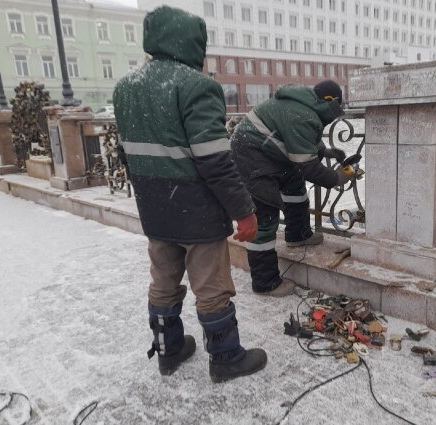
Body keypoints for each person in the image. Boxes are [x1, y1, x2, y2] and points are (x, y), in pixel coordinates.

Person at [113, 6, 266, 383]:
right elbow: (214, 159)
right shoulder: (197, 86)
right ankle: (226, 357)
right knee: (211, 287)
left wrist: (149, 196)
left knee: (163, 280)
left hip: (154, 206)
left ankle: (169, 351)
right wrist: (244, 211)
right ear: (193, 44)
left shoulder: (125, 87)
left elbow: (125, 153)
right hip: (196, 209)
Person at [230, 80, 355, 297]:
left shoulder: (305, 106)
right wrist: (337, 177)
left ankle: (298, 234)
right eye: (337, 107)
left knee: (294, 184)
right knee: (265, 216)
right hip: (253, 159)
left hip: (268, 153)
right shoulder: (303, 114)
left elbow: (296, 138)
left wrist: (325, 152)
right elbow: (310, 168)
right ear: (330, 102)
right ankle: (265, 282)